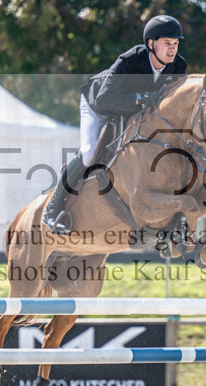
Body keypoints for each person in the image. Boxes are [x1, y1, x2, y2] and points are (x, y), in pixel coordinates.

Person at [43, 15, 188, 234]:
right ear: (151, 43)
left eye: (176, 44)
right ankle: (52, 208)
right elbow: (104, 99)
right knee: (90, 153)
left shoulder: (178, 66)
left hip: (132, 114)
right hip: (98, 106)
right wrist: (140, 97)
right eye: (167, 43)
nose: (172, 49)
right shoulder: (130, 60)